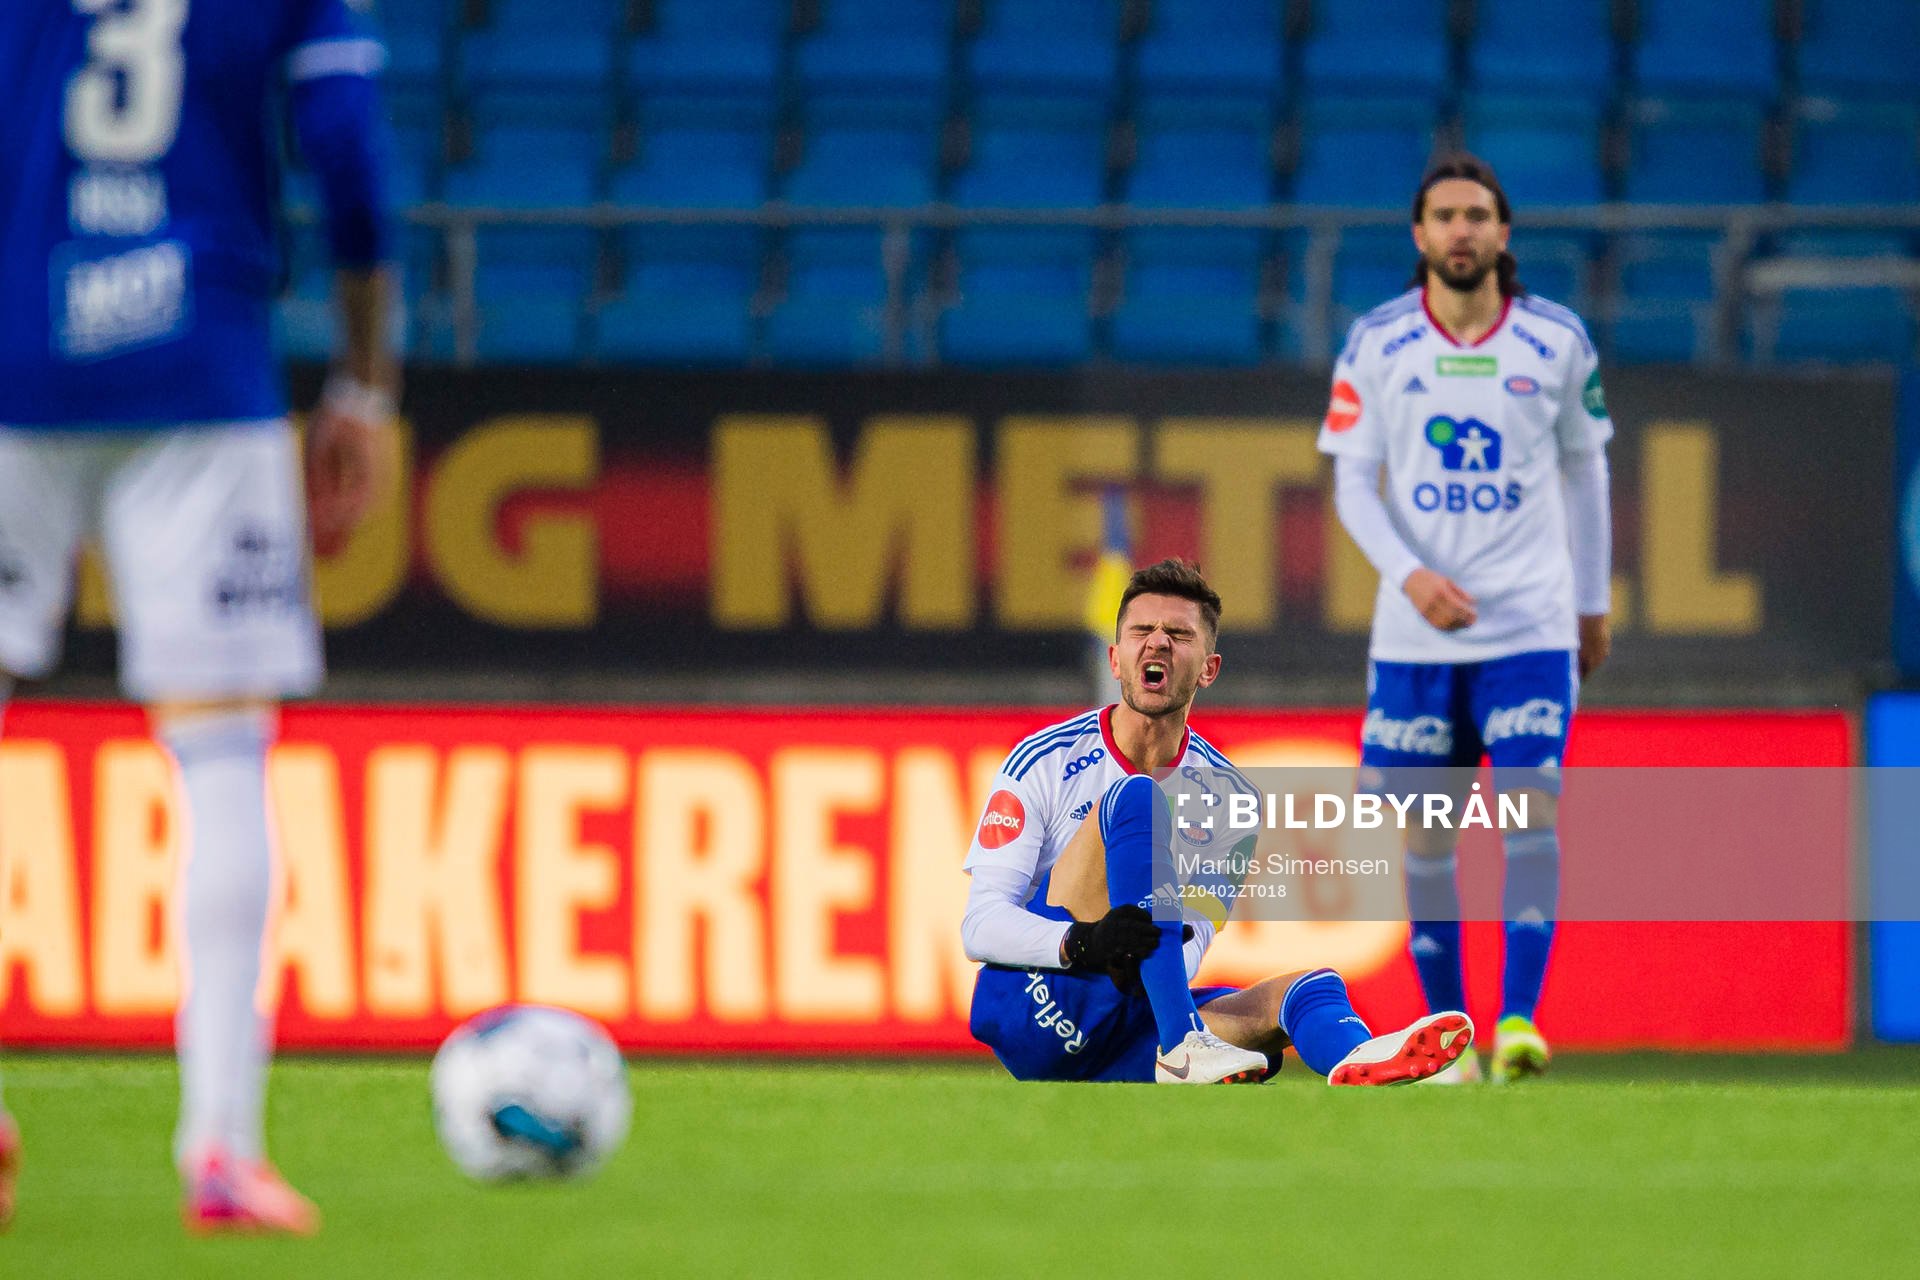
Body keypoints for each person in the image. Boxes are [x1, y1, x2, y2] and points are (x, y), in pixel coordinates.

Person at [0, 0, 399, 1232]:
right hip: (201, 366)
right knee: (224, 756)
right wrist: (365, 384)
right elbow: (348, 151)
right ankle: (221, 1145)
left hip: (15, 357)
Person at [1318, 154, 1614, 1085]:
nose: (1460, 230)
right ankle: (1449, 1041)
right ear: (1419, 233)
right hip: (1417, 638)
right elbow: (1350, 481)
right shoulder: (1377, 342)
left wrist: (1592, 603)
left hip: (1529, 627)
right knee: (1427, 837)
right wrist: (1410, 577)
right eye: (1444, 215)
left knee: (1531, 813)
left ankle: (1518, 1022)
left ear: (1502, 232)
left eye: (1477, 215)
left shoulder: (1557, 340)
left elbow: (1588, 472)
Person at [961, 558, 1475, 1085]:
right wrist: (1088, 942)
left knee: (1307, 989)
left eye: (1179, 635)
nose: (1158, 643)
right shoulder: (1044, 760)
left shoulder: (1231, 800)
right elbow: (980, 926)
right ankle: (1184, 1045)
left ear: (1208, 669)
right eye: (1142, 631)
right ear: (1115, 659)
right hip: (1034, 1002)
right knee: (1136, 797)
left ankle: (1358, 1056)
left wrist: (1143, 949)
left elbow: (1195, 942)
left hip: (1123, 1029)